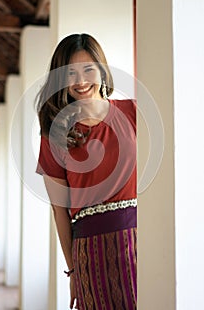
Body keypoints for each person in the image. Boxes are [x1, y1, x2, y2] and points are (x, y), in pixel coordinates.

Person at [36, 33, 137, 310]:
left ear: (102, 71)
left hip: (141, 241)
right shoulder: (54, 133)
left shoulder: (132, 113)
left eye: (88, 69)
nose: (80, 81)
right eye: (70, 73)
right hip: (90, 252)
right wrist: (72, 271)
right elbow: (59, 210)